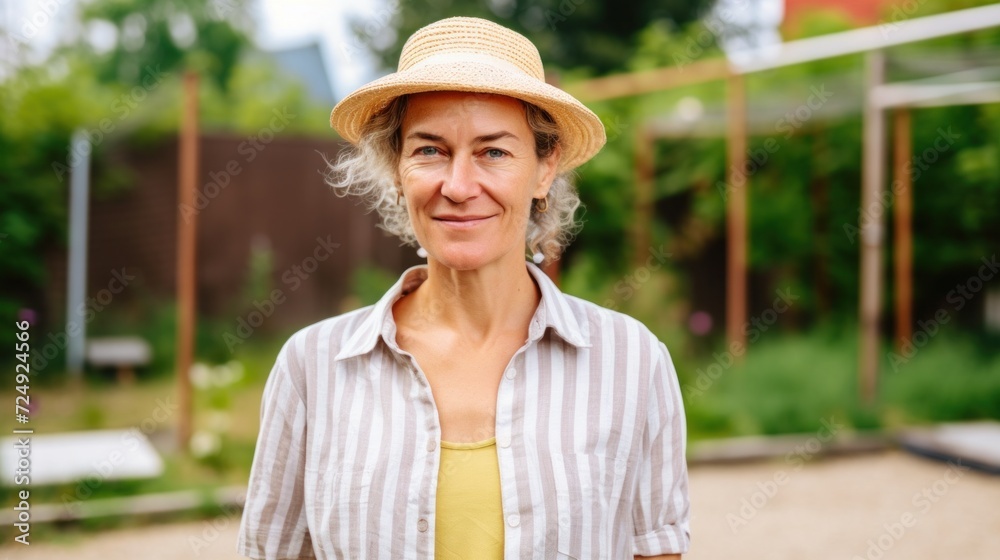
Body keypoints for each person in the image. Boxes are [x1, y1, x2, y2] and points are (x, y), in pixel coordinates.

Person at [238, 16, 690, 560]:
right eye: (429, 150)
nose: (457, 186)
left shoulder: (632, 362)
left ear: (544, 169)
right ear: (396, 166)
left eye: (493, 152)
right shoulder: (312, 368)